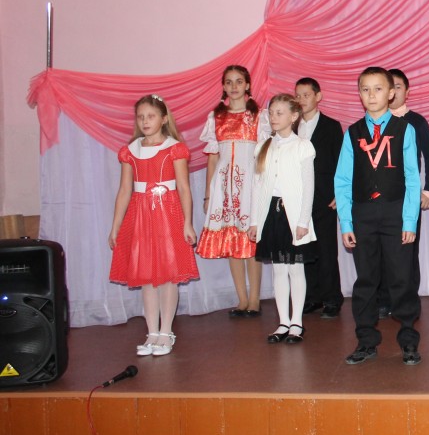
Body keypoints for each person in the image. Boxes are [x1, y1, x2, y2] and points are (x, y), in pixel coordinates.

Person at [335, 67, 422, 365]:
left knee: (401, 278)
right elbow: (342, 180)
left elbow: (413, 178)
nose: (371, 95)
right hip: (363, 214)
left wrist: (409, 221)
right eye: (365, 89)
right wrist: (346, 222)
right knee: (366, 280)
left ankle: (408, 340)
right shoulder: (352, 133)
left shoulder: (404, 129)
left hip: (395, 213)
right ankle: (366, 341)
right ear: (359, 94)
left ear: (391, 93)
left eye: (378, 89)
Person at [108, 95, 199, 357]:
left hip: (167, 215)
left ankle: (166, 330)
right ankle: (152, 331)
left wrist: (187, 223)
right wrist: (115, 226)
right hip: (140, 216)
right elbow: (124, 190)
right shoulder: (130, 151)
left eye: (151, 116)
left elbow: (183, 188)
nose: (145, 121)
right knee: (147, 276)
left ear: (164, 119)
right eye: (141, 117)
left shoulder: (174, 149)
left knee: (168, 275)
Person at [196, 65, 269, 317]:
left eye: (239, 81)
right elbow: (213, 158)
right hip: (224, 187)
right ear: (224, 87)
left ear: (247, 85)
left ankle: (255, 299)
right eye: (229, 82)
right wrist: (209, 194)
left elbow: (265, 155)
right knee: (231, 240)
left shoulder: (259, 115)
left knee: (250, 241)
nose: (234, 86)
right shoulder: (215, 117)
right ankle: (241, 300)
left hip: (250, 184)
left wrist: (263, 188)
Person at [250, 94, 317, 345]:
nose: (274, 117)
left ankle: (297, 321)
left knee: (295, 269)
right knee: (278, 270)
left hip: (294, 216)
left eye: (280, 113)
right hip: (271, 214)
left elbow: (308, 187)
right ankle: (283, 321)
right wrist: (254, 221)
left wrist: (303, 221)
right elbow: (257, 187)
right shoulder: (263, 146)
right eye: (271, 113)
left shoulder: (303, 146)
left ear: (294, 116)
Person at [375, 68, 429, 319]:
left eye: (398, 86)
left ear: (406, 91)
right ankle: (383, 300)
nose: (393, 92)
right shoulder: (374, 122)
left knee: (407, 250)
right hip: (379, 199)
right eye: (388, 86)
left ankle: (407, 302)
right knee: (381, 250)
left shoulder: (417, 122)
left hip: (409, 198)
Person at [295, 77, 344, 320]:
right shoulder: (291, 126)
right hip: (297, 199)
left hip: (325, 197)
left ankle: (332, 298)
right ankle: (311, 297)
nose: (302, 100)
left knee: (326, 250)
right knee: (304, 249)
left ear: (318, 96)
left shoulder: (332, 126)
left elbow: (341, 162)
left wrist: (339, 192)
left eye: (306, 95)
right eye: (298, 95)